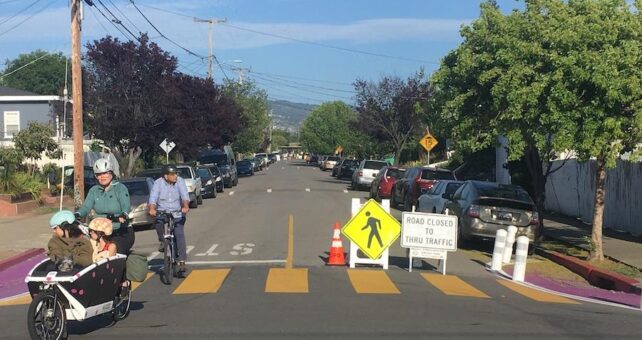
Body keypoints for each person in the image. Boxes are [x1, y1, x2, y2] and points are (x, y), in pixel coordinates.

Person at [77, 159, 134, 256]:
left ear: (111, 173)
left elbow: (126, 205)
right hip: (99, 233)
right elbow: (86, 206)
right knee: (87, 250)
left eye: (105, 173)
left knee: (113, 250)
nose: (102, 176)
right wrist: (77, 214)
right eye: (99, 174)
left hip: (120, 232)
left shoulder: (120, 188)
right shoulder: (94, 191)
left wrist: (123, 214)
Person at [148, 164, 190, 277]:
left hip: (177, 212)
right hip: (163, 211)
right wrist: (152, 209)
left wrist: (185, 206)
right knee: (158, 222)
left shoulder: (180, 181)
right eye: (172, 174)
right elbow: (153, 198)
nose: (175, 176)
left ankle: (181, 261)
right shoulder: (158, 183)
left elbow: (185, 195)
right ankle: (162, 241)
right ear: (166, 176)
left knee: (179, 233)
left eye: (176, 173)